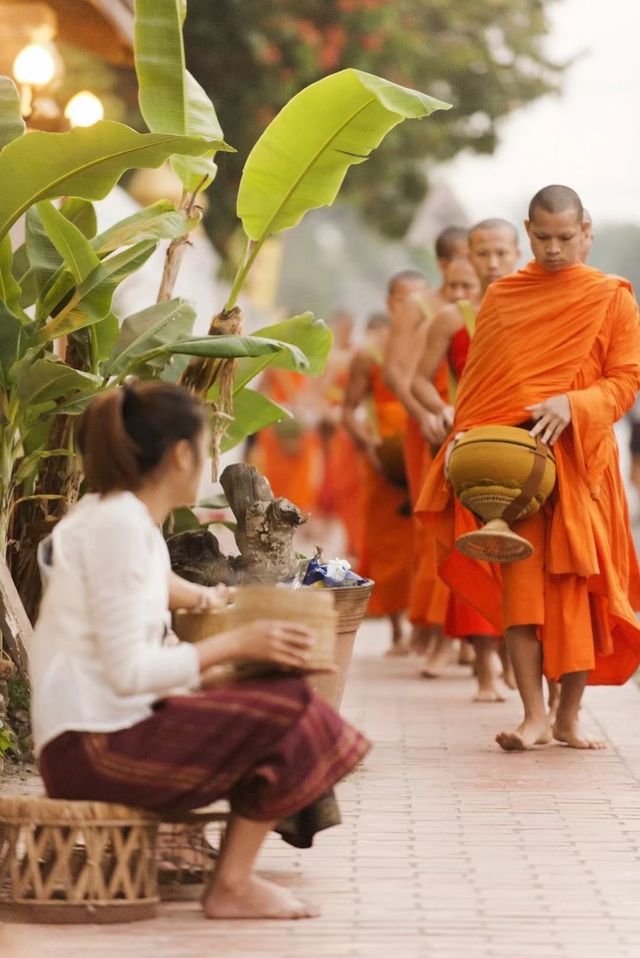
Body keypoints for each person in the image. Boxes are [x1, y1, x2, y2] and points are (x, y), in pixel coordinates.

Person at [31, 382, 370, 920]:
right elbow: (126, 672)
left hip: (102, 734)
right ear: (182, 453)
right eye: (208, 442)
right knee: (293, 712)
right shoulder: (114, 526)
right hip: (91, 752)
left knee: (285, 697)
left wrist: (228, 624)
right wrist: (238, 641)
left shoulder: (119, 518)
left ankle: (236, 878)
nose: (212, 456)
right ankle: (231, 886)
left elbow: (154, 598)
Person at [416, 184, 640, 750]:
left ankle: (568, 716)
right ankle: (532, 714)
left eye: (566, 238)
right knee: (521, 591)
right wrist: (464, 436)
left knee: (580, 589)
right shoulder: (505, 297)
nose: (555, 249)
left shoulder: (612, 297)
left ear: (586, 231)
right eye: (542, 238)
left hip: (584, 466)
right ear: (529, 230)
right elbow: (482, 384)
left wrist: (574, 404)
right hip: (516, 471)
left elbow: (627, 380)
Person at [410, 220, 520, 698]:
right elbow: (418, 380)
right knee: (475, 554)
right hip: (471, 445)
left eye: (501, 253)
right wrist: (440, 409)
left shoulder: (538, 310)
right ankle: (485, 670)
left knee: (525, 563)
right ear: (466, 260)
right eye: (482, 255)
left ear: (517, 254)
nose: (493, 264)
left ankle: (521, 663)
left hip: (527, 448)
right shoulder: (452, 319)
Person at [343, 297, 414, 654]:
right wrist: (370, 444)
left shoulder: (425, 347)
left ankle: (425, 629)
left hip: (421, 452)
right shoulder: (368, 356)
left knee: (424, 548)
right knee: (386, 549)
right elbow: (348, 411)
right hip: (380, 459)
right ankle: (397, 627)